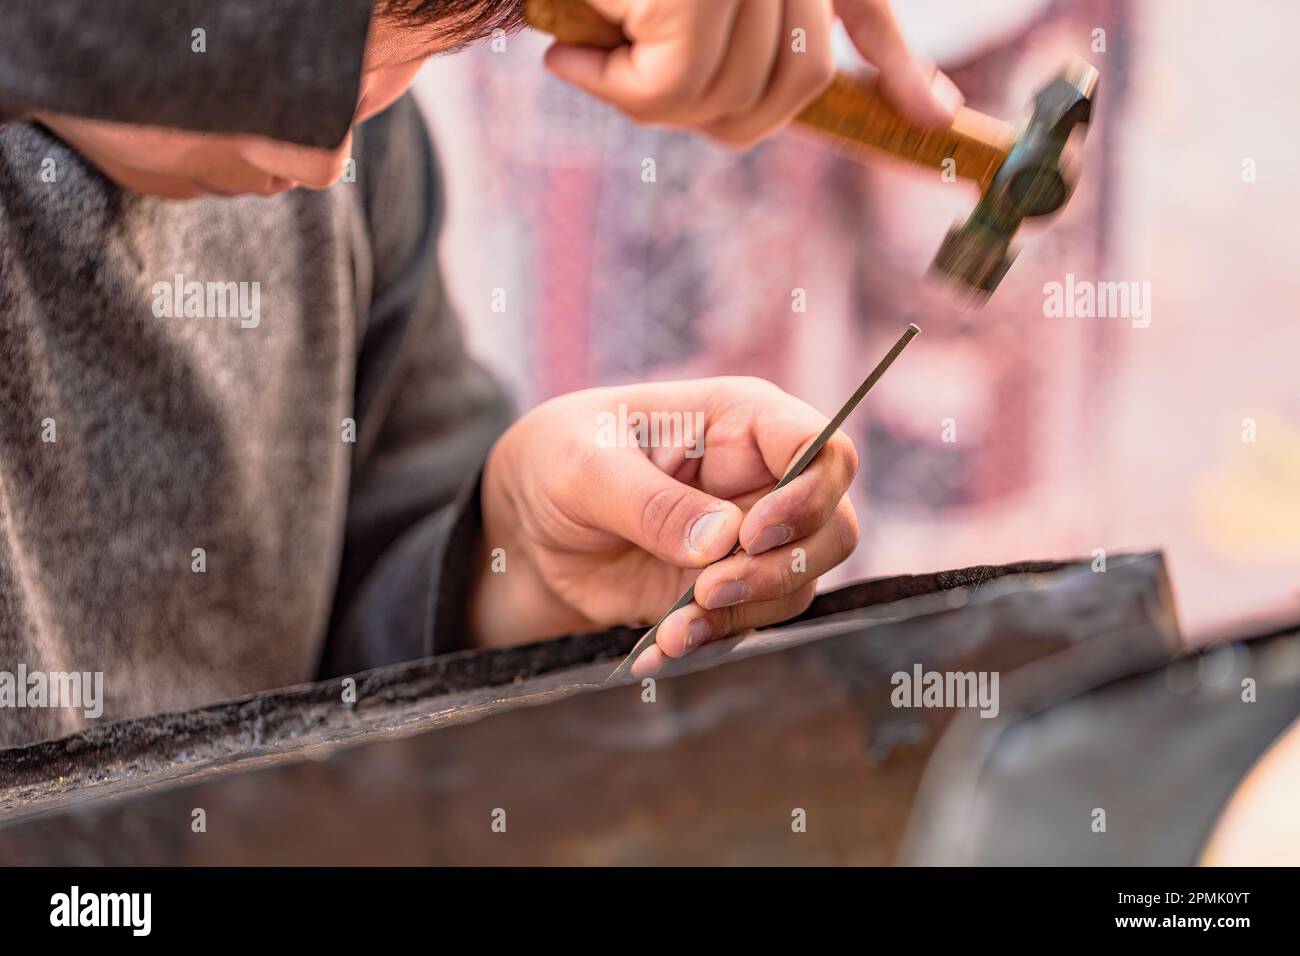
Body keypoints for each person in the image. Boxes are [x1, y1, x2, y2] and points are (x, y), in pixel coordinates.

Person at [0, 0, 954, 746]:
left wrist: (515, 566)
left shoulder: (370, 163)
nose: (317, 154)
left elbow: (349, 651)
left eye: (394, 61)